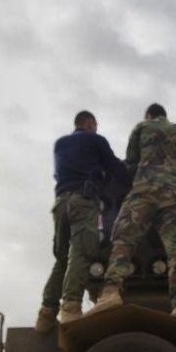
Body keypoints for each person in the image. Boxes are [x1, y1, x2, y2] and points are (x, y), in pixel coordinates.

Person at [92, 103, 176, 320]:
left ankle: (111, 292)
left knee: (124, 239)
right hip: (173, 196)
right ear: (165, 115)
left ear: (149, 115)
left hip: (145, 192)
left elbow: (131, 162)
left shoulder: (142, 127)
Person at [35, 110, 129, 331]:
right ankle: (71, 308)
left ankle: (47, 312)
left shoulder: (59, 144)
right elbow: (114, 167)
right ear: (89, 124)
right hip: (83, 202)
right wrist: (131, 184)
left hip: (60, 204)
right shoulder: (96, 140)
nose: (96, 129)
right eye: (95, 126)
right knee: (82, 251)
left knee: (61, 258)